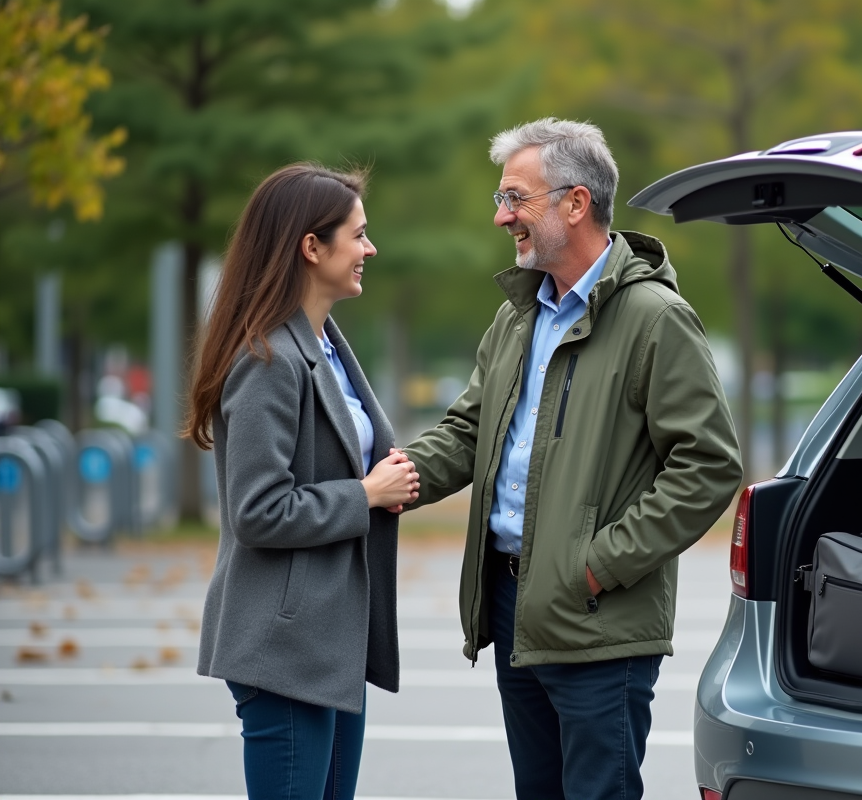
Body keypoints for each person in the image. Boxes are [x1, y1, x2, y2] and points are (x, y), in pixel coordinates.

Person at [401, 118, 742, 800]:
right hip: (511, 605)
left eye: (515, 198)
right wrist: (391, 480)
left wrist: (597, 565)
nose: (502, 217)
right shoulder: (516, 318)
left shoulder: (655, 318)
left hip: (597, 617)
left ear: (575, 203)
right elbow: (469, 432)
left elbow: (708, 466)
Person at [185, 163, 420, 800]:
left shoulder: (326, 345)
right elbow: (258, 510)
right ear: (311, 248)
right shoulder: (267, 361)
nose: (370, 249)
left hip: (331, 646)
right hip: (284, 648)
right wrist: (366, 495)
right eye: (359, 235)